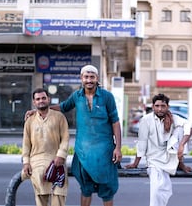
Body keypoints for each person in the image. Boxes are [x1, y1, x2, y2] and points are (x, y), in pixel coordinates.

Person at [26, 65, 122, 206]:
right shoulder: (77, 96)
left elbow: (115, 122)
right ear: (81, 79)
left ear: (97, 78)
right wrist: (39, 109)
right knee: (85, 188)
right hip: (83, 152)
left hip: (105, 152)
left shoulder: (107, 97)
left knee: (107, 189)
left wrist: (118, 148)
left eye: (92, 77)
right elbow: (63, 107)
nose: (89, 80)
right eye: (86, 77)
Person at [125, 93, 185, 206]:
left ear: (167, 107)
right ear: (153, 107)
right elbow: (142, 142)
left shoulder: (173, 119)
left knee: (180, 129)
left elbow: (189, 127)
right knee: (156, 192)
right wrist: (135, 163)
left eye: (163, 106)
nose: (160, 109)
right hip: (153, 161)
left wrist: (182, 149)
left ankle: (179, 163)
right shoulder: (146, 120)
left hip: (170, 157)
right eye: (157, 106)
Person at [21, 88, 70, 206]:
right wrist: (26, 162)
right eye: (38, 99)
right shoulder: (30, 120)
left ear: (48, 99)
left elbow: (65, 138)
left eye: (43, 98)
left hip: (56, 161)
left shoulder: (59, 117)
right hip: (37, 163)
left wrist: (61, 155)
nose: (41, 101)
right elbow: (26, 143)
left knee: (58, 197)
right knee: (41, 200)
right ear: (34, 102)